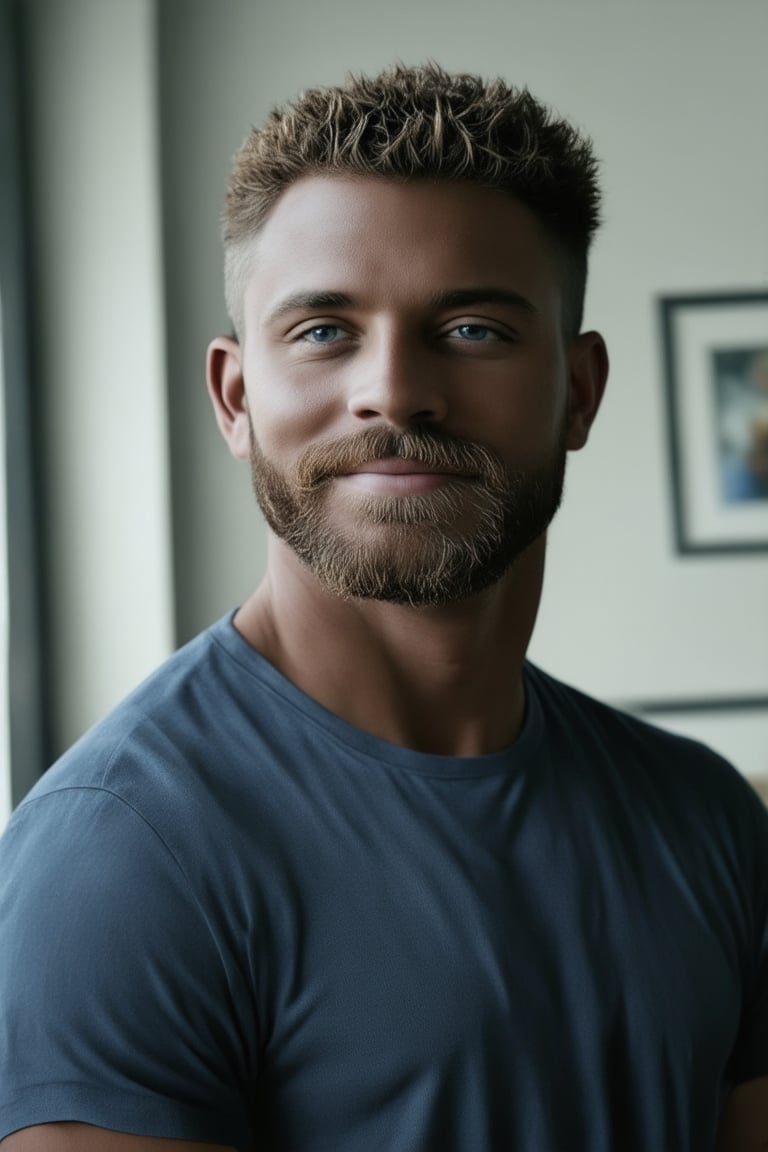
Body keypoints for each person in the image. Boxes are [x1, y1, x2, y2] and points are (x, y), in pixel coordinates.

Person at [0, 63, 766, 1152]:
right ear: (235, 397)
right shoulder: (120, 855)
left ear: (580, 393)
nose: (395, 389)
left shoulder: (707, 820)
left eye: (473, 330)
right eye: (323, 330)